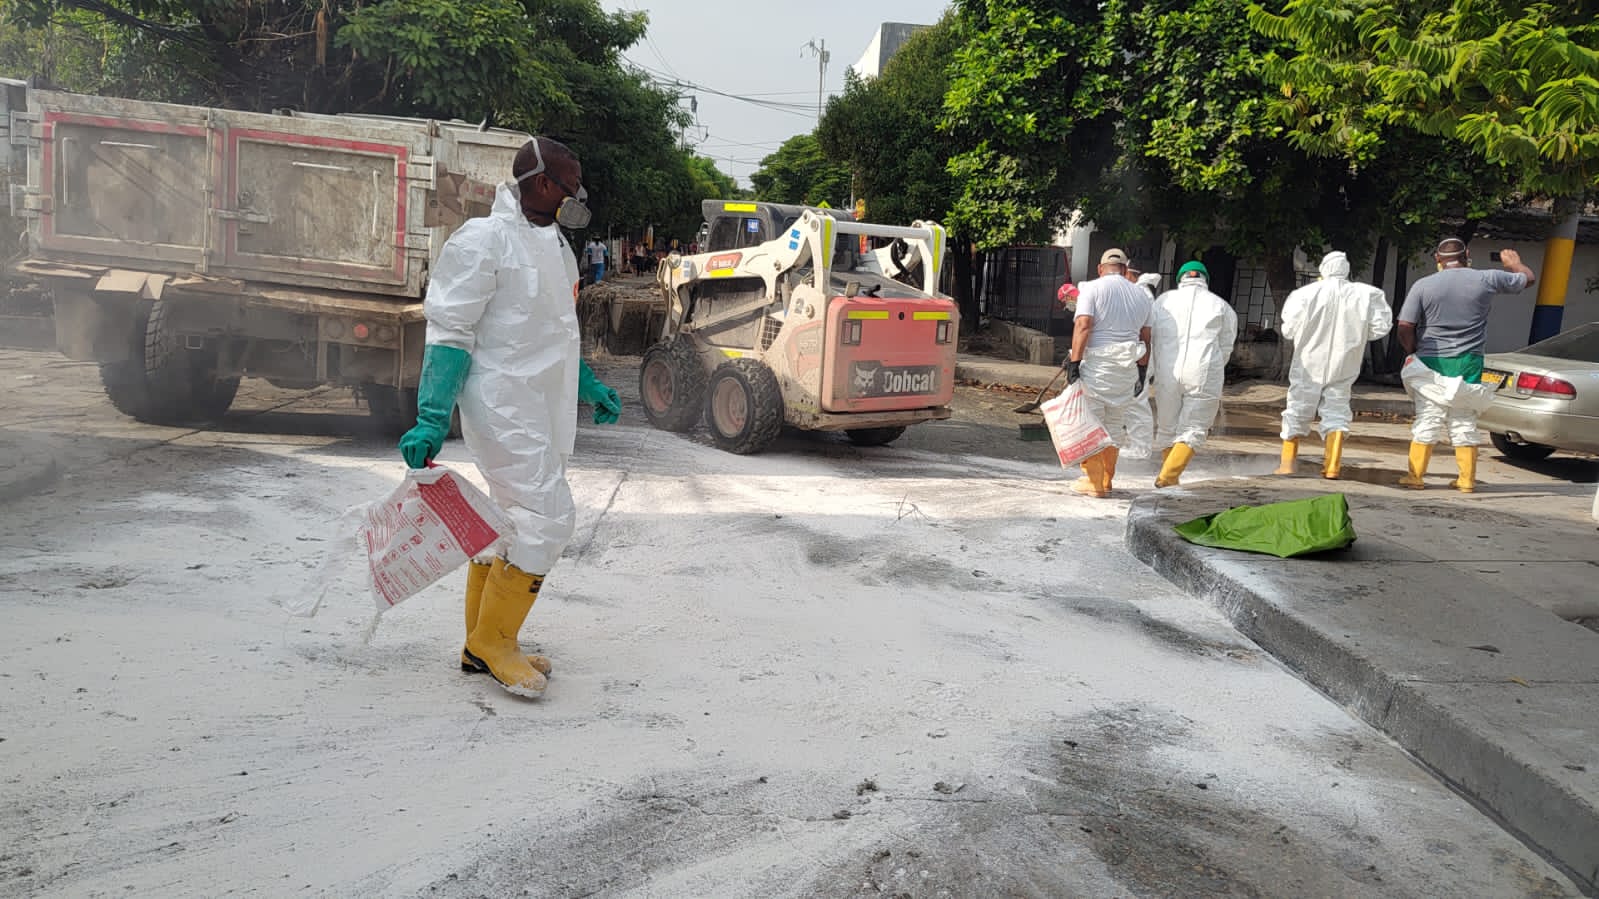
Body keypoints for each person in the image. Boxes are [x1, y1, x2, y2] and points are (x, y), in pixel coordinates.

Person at [398, 137, 623, 698]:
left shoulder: (557, 247)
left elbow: (555, 333)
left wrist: (587, 385)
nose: (576, 197)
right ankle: (496, 642)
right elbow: (451, 331)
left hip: (540, 406)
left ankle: (480, 643)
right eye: (570, 186)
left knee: (513, 521)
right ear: (543, 183)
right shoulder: (484, 240)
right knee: (548, 518)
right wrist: (431, 417)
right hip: (499, 403)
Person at [1396, 238, 1536, 492]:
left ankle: (1415, 477)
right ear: (1467, 255)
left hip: (1431, 360)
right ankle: (1466, 480)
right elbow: (1528, 278)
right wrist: (1515, 264)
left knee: (1429, 416)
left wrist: (1413, 351)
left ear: (1438, 260)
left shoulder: (1423, 285)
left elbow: (1405, 326)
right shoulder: (1487, 278)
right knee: (1464, 417)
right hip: (1470, 360)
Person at [1275, 251, 1394, 479]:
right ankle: (1332, 467)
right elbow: (1381, 327)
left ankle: (1288, 464)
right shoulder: (1367, 294)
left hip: (1308, 361)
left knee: (1297, 407)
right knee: (1337, 410)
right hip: (1345, 359)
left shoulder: (1304, 294)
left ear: (1323, 268)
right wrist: (1357, 336)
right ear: (1346, 269)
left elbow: (1288, 329)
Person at [1063, 248, 1154, 497]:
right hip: (1127, 368)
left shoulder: (1091, 288)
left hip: (1098, 365)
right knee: (1114, 424)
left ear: (1100, 268)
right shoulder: (1142, 296)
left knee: (1091, 422)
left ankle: (1093, 482)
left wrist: (1074, 363)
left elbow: (1083, 325)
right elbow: (1145, 337)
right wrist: (1142, 370)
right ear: (1125, 270)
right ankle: (1106, 480)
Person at [1150, 261, 1238, 488]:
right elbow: (1226, 347)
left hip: (1167, 370)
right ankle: (1168, 477)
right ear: (1205, 279)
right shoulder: (1221, 306)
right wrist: (1213, 372)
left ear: (1180, 279)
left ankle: (1169, 476)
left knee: (1167, 427)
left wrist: (1152, 370)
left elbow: (1151, 336)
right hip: (1203, 370)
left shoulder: (1163, 301)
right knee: (1194, 428)